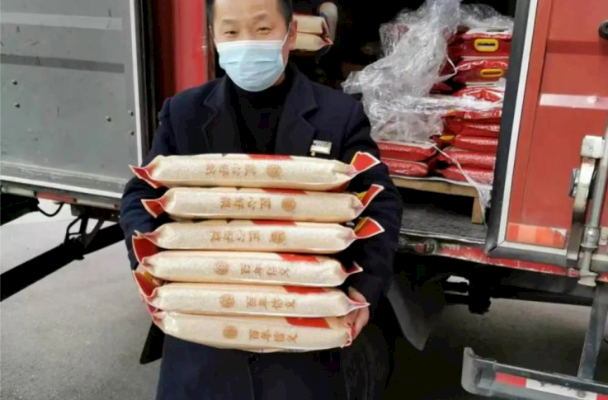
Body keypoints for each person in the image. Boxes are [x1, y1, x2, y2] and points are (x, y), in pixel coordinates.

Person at [119, 0, 402, 398]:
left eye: (263, 29)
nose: (247, 42)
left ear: (291, 33)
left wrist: (365, 288)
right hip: (203, 350)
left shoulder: (338, 115)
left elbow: (380, 201)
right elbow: (141, 194)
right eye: (231, 32)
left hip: (301, 355)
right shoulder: (184, 113)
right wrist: (149, 263)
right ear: (214, 38)